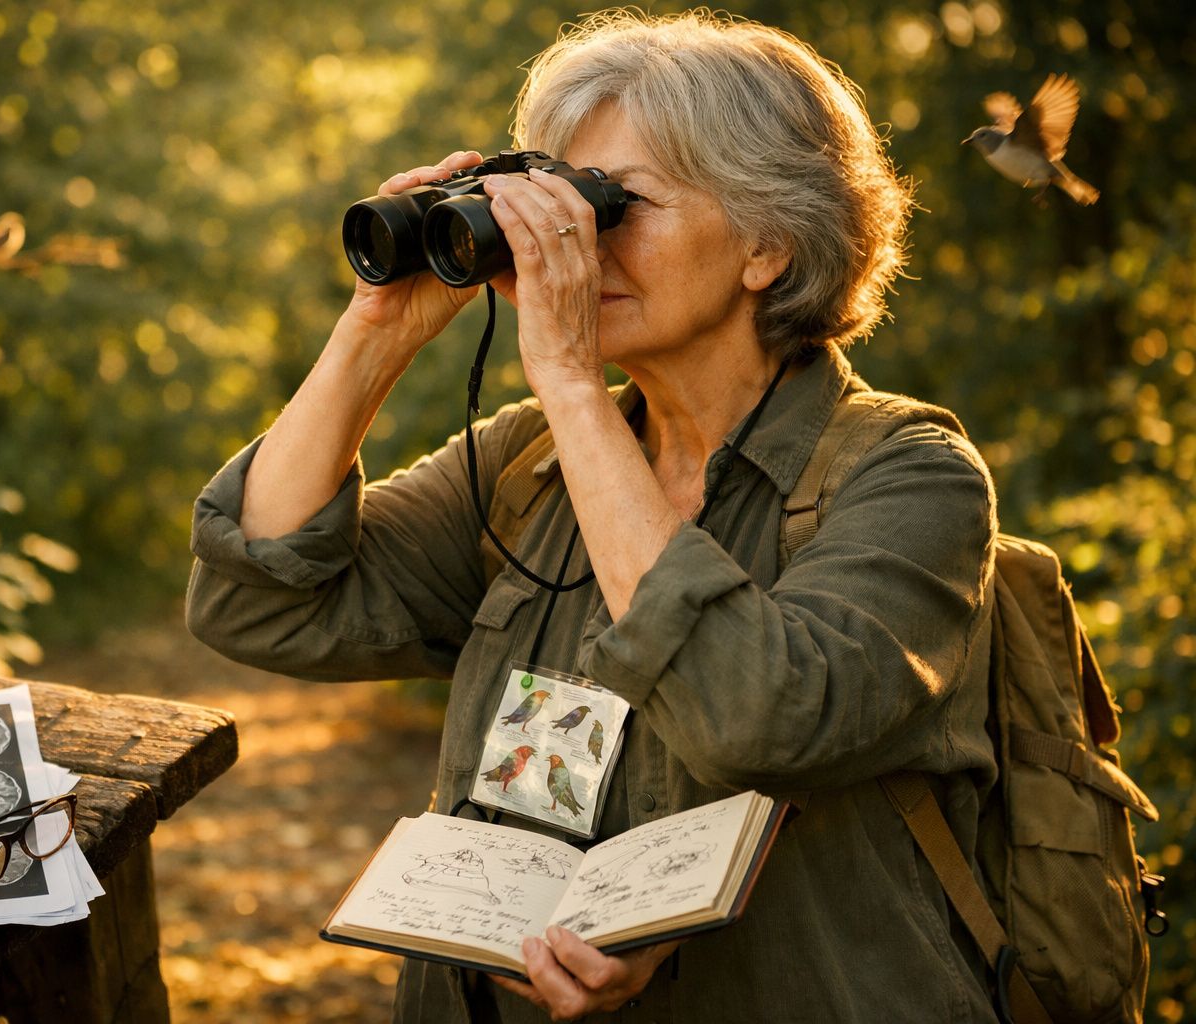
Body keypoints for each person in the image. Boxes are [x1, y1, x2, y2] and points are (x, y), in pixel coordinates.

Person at [187, 9, 999, 1022]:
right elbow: (257, 596)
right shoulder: (531, 463)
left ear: (770, 247)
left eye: (614, 202)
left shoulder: (911, 476)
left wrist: (570, 380)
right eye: (557, 196)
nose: (569, 237)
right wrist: (377, 329)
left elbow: (762, 716)